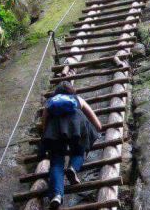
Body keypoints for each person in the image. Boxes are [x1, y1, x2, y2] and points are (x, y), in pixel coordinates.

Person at [40, 81, 102, 209]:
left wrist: (46, 140)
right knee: (79, 151)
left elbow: (44, 125)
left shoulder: (50, 102)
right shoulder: (77, 99)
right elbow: (96, 123)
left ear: (57, 93)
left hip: (54, 129)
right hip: (76, 126)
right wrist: (95, 131)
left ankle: (57, 195)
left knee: (56, 162)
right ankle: (73, 168)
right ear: (71, 91)